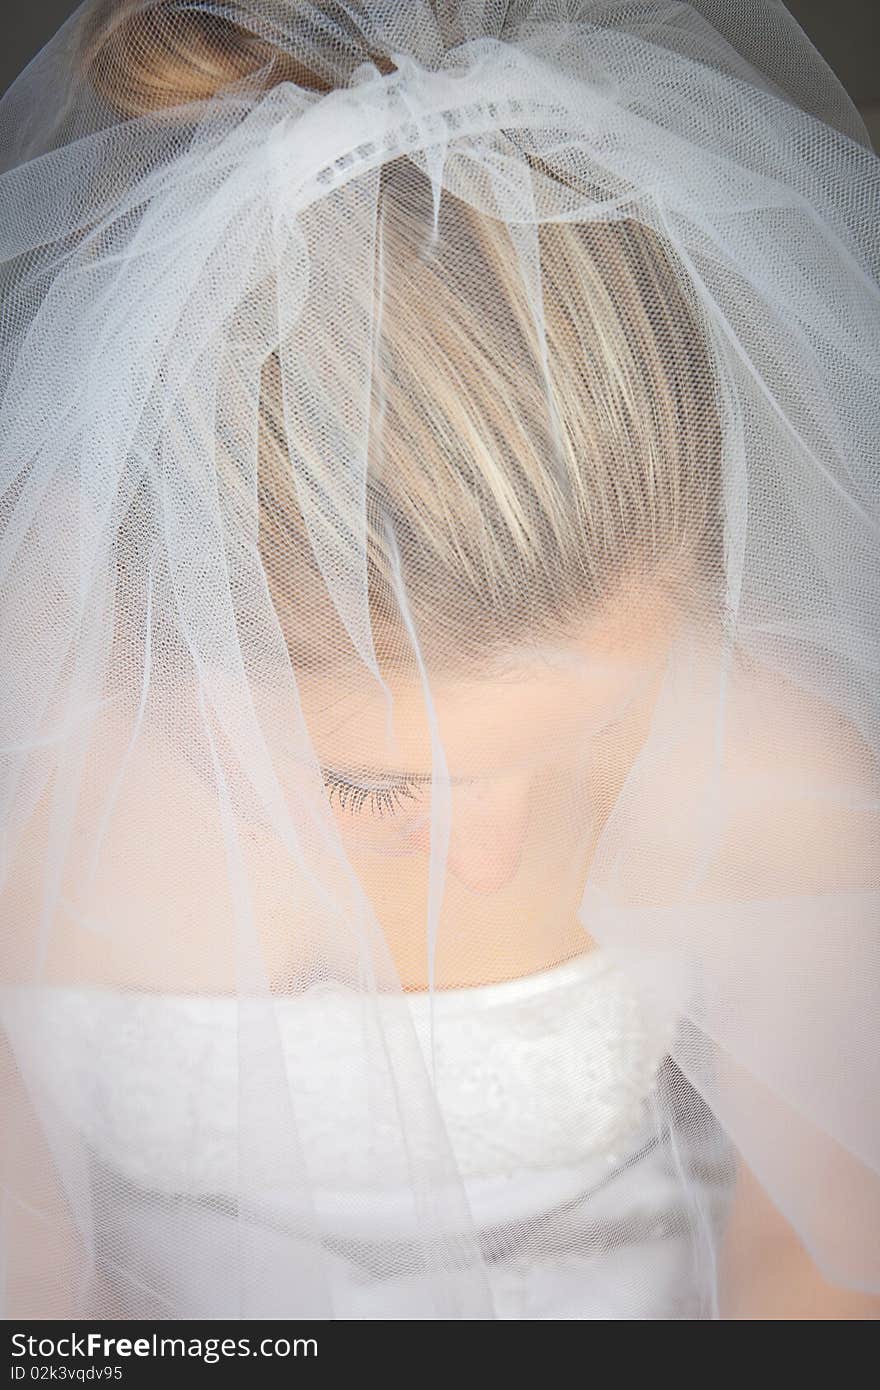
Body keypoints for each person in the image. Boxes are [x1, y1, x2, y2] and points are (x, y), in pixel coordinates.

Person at [0, 0, 878, 1319]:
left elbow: (827, 1253)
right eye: (367, 781)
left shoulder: (775, 751)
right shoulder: (30, 758)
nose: (492, 854)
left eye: (596, 723)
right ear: (138, 593)